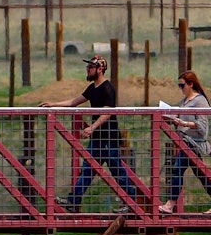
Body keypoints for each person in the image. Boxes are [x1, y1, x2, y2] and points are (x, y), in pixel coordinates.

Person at [40, 55, 140, 212]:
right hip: (97, 139)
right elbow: (74, 101)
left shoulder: (107, 88)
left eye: (91, 67)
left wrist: (92, 127)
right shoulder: (92, 88)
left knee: (117, 172)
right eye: (88, 67)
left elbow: (107, 113)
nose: (87, 70)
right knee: (87, 170)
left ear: (100, 69)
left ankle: (132, 203)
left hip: (108, 138)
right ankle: (73, 201)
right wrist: (53, 104)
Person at [158, 71, 211, 214]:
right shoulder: (184, 102)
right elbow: (178, 117)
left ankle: (170, 204)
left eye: (182, 85)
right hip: (185, 141)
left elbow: (202, 126)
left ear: (190, 84)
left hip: (194, 143)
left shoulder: (200, 101)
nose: (180, 88)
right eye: (179, 85)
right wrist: (170, 118)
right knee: (200, 173)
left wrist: (183, 122)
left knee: (177, 169)